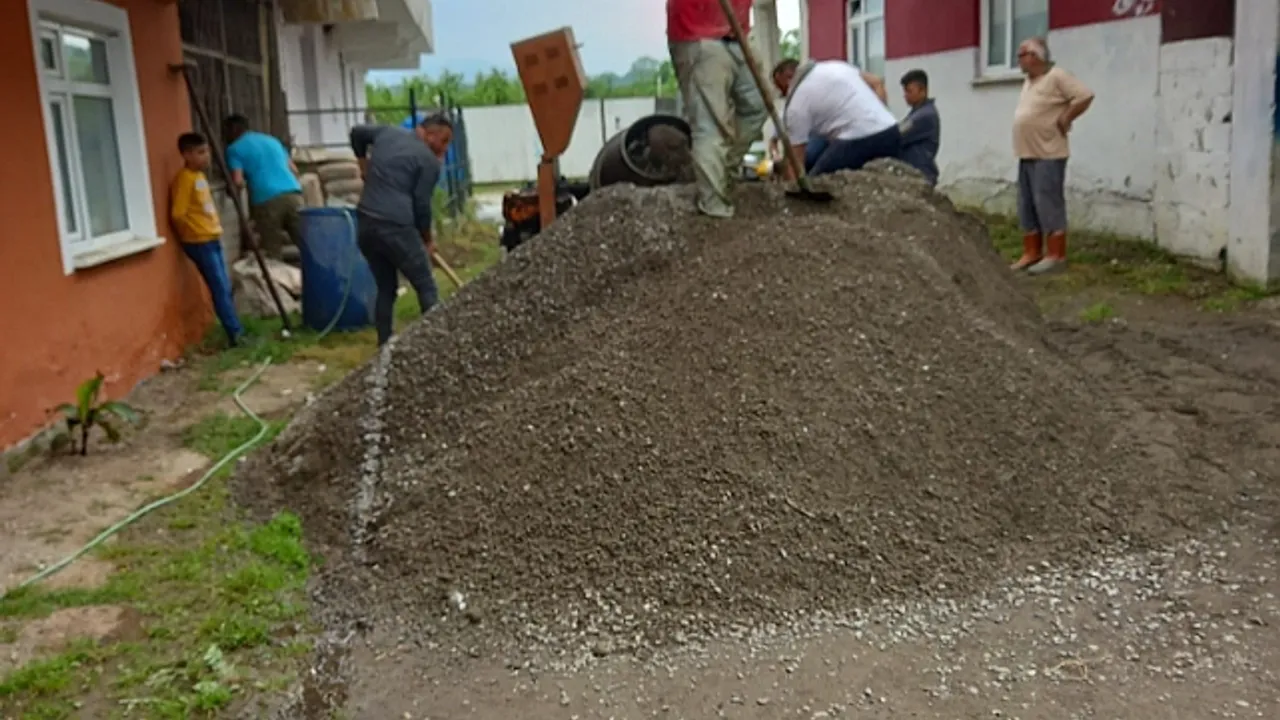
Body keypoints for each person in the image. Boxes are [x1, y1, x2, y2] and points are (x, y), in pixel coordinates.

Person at [348, 114, 453, 346]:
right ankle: (436, 345)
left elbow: (356, 133)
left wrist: (363, 165)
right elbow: (421, 205)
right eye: (444, 141)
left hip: (366, 222)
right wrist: (427, 240)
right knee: (425, 284)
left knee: (386, 287)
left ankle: (384, 344)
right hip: (395, 225)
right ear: (430, 134)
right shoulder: (428, 161)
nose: (445, 149)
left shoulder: (387, 133)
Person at [668, 0, 767, 218]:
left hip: (737, 35)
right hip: (698, 36)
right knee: (710, 125)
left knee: (757, 107)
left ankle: (726, 169)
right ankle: (713, 206)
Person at [1008, 36, 1094, 274]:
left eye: (1021, 55)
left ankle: (1056, 255)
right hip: (1027, 152)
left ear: (1035, 56)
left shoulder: (1057, 76)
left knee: (1047, 202)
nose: (1018, 60)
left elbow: (1085, 95)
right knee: (1027, 204)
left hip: (1049, 153)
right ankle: (1032, 252)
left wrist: (1066, 117)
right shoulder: (1029, 81)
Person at [171, 132, 245, 347]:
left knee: (224, 285)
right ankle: (236, 334)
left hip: (212, 237)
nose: (207, 157)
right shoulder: (184, 179)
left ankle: (236, 329)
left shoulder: (200, 177)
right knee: (219, 287)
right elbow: (178, 214)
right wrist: (193, 232)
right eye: (200, 152)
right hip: (200, 241)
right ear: (187, 155)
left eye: (207, 152)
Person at [771, 59, 899, 177]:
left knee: (818, 181)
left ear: (788, 79)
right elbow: (876, 81)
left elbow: (796, 162)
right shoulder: (836, 66)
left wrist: (790, 188)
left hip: (858, 139)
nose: (784, 94)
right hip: (891, 131)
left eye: (781, 89)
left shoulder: (796, 104)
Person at [223, 114, 303, 258]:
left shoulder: (234, 149)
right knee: (305, 242)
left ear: (232, 130)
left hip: (266, 199)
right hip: (293, 193)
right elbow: (294, 170)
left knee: (272, 248)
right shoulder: (272, 141)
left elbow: (238, 181)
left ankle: (278, 272)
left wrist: (231, 191)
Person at [897, 69, 940, 186]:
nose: (905, 95)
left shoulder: (924, 116)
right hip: (915, 174)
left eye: (909, 91)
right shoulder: (916, 112)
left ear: (923, 91)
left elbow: (897, 135)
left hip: (921, 176)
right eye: (905, 91)